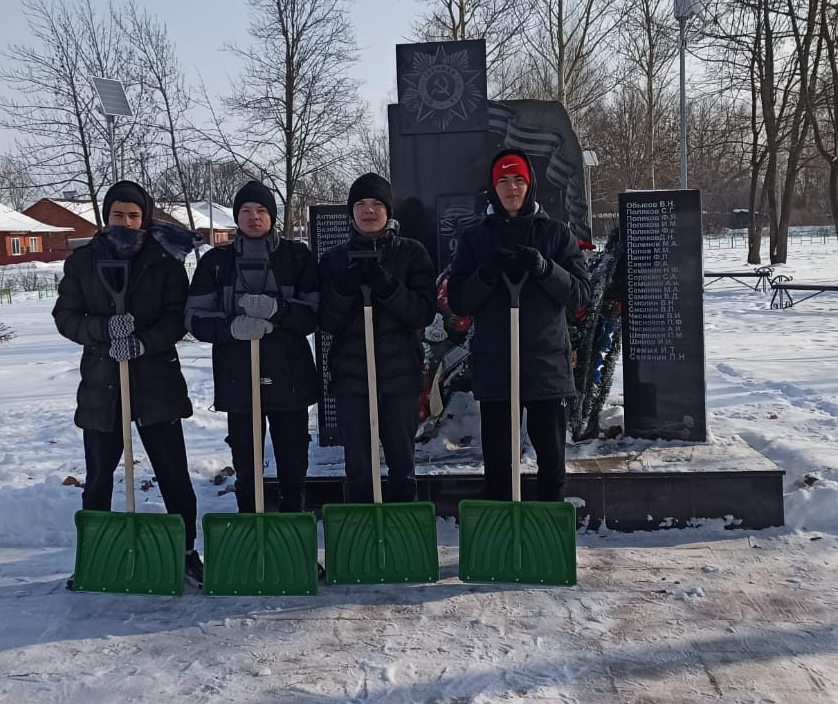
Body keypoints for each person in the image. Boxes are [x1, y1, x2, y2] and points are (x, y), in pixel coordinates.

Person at [52, 179, 202, 585]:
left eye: (134, 215)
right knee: (98, 476)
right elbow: (66, 317)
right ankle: (95, 556)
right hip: (104, 385)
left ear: (145, 218)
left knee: (174, 474)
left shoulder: (165, 260)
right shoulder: (84, 261)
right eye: (118, 214)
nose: (126, 221)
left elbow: (176, 317)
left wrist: (141, 342)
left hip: (156, 383)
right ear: (106, 217)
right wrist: (102, 330)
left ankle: (186, 550)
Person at [445, 148, 589, 502]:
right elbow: (460, 300)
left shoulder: (556, 235)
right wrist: (486, 274)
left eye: (519, 180)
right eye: (504, 181)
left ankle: (547, 537)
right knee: (498, 462)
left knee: (552, 460)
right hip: (497, 366)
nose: (512, 187)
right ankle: (502, 539)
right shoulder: (476, 239)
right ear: (494, 188)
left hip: (546, 366)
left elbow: (581, 295)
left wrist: (545, 269)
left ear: (530, 185)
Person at [185, 180, 320, 516]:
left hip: (289, 376)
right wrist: (231, 328)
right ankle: (251, 529)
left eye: (261, 211)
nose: (254, 217)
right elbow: (194, 318)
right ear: (236, 218)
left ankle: (292, 535)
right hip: (238, 377)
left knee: (293, 464)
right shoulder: (217, 262)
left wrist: (279, 312)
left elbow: (315, 314)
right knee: (247, 465)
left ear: (273, 216)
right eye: (246, 211)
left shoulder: (296, 256)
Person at [317, 173, 436, 503]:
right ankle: (362, 533)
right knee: (357, 466)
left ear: (389, 210)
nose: (368, 210)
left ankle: (402, 530)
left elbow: (423, 313)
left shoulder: (412, 254)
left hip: (399, 376)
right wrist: (343, 289)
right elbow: (327, 320)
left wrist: (389, 288)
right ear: (351, 212)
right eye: (360, 204)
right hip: (351, 379)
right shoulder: (334, 260)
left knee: (402, 461)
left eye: (376, 204)